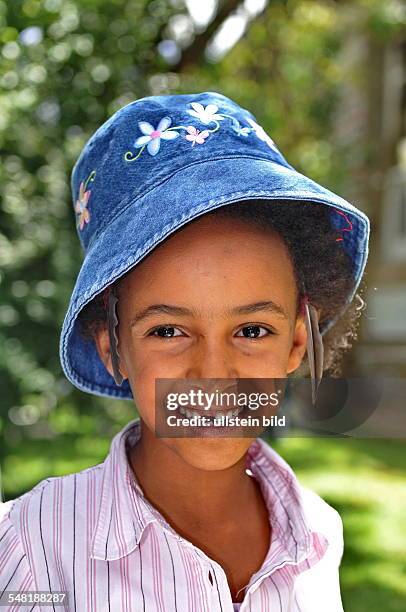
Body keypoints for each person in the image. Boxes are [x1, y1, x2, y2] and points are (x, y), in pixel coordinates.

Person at [0, 91, 370, 611]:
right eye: (169, 331)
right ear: (113, 349)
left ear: (296, 342)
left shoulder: (318, 536)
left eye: (253, 330)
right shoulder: (32, 547)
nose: (214, 374)